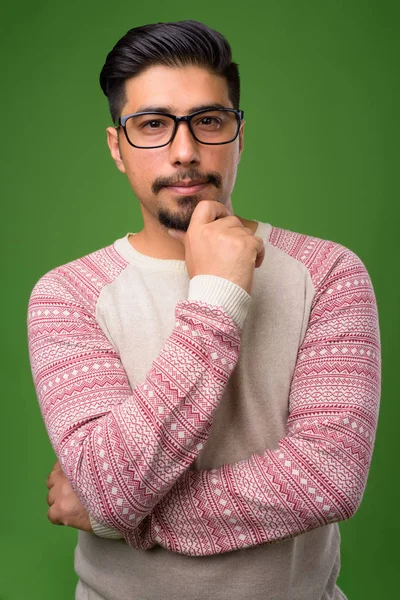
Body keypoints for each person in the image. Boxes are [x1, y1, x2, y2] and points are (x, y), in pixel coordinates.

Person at [27, 20, 381, 600]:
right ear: (118, 147)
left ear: (239, 135)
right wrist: (217, 295)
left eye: (208, 121)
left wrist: (123, 518)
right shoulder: (67, 294)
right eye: (152, 125)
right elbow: (103, 480)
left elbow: (328, 479)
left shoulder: (329, 272)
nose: (185, 151)